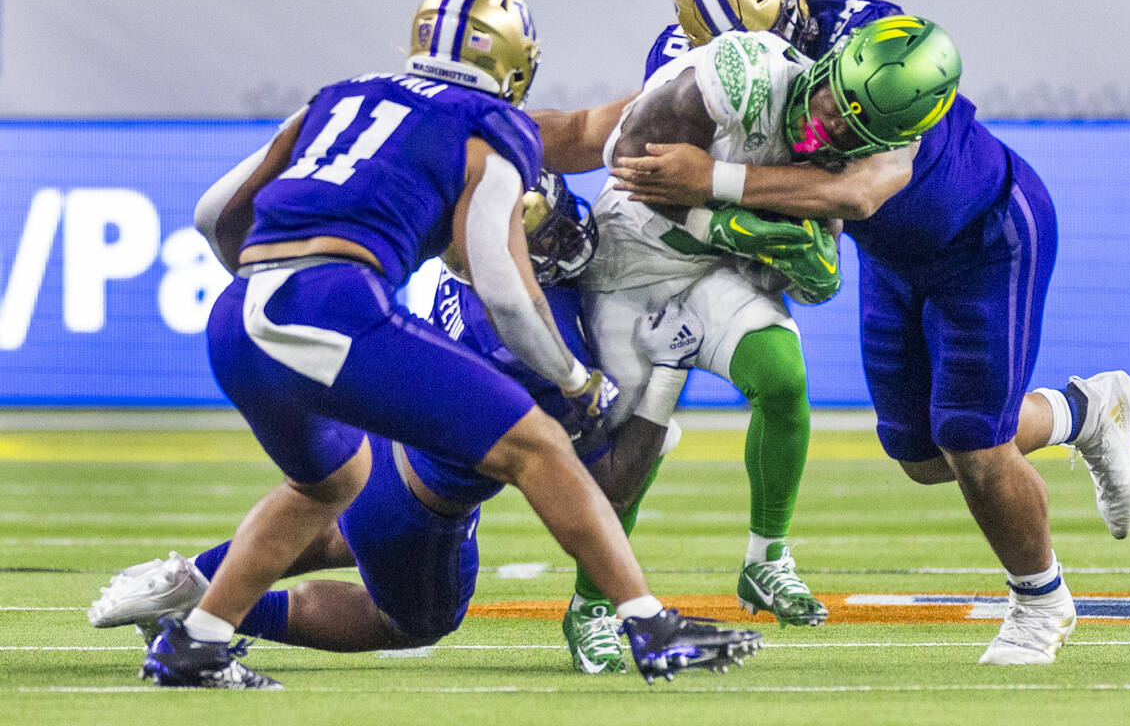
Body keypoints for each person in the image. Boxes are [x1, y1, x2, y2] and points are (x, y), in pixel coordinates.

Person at [139, 0, 761, 689]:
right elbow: (505, 287)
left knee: (328, 484)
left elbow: (215, 213)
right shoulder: (487, 127)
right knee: (539, 444)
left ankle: (196, 641)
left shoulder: (345, 94)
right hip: (329, 303)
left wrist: (268, 275)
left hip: (237, 316)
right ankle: (650, 625)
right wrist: (574, 380)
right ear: (515, 62)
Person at [604, 0, 1130, 665]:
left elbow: (861, 190)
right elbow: (627, 138)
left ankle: (1040, 603)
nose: (751, 71)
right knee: (922, 457)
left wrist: (713, 185)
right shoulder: (690, 69)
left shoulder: (874, 39)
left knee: (972, 446)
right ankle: (1086, 412)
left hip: (982, 237)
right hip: (894, 256)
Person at [91, 172, 690, 669]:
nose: (566, 242)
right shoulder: (529, 343)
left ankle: (187, 578)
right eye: (540, 236)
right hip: (417, 503)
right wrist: (664, 377)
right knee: (411, 622)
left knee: (331, 531)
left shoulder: (455, 264)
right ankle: (203, 616)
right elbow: (612, 487)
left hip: (377, 440)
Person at [531, 0, 837, 667]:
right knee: (631, 442)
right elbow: (637, 165)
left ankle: (768, 558)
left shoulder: (806, 69)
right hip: (635, 266)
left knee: (783, 378)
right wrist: (737, 223)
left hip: (712, 263)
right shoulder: (701, 75)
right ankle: (593, 606)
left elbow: (816, 189)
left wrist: (799, 237)